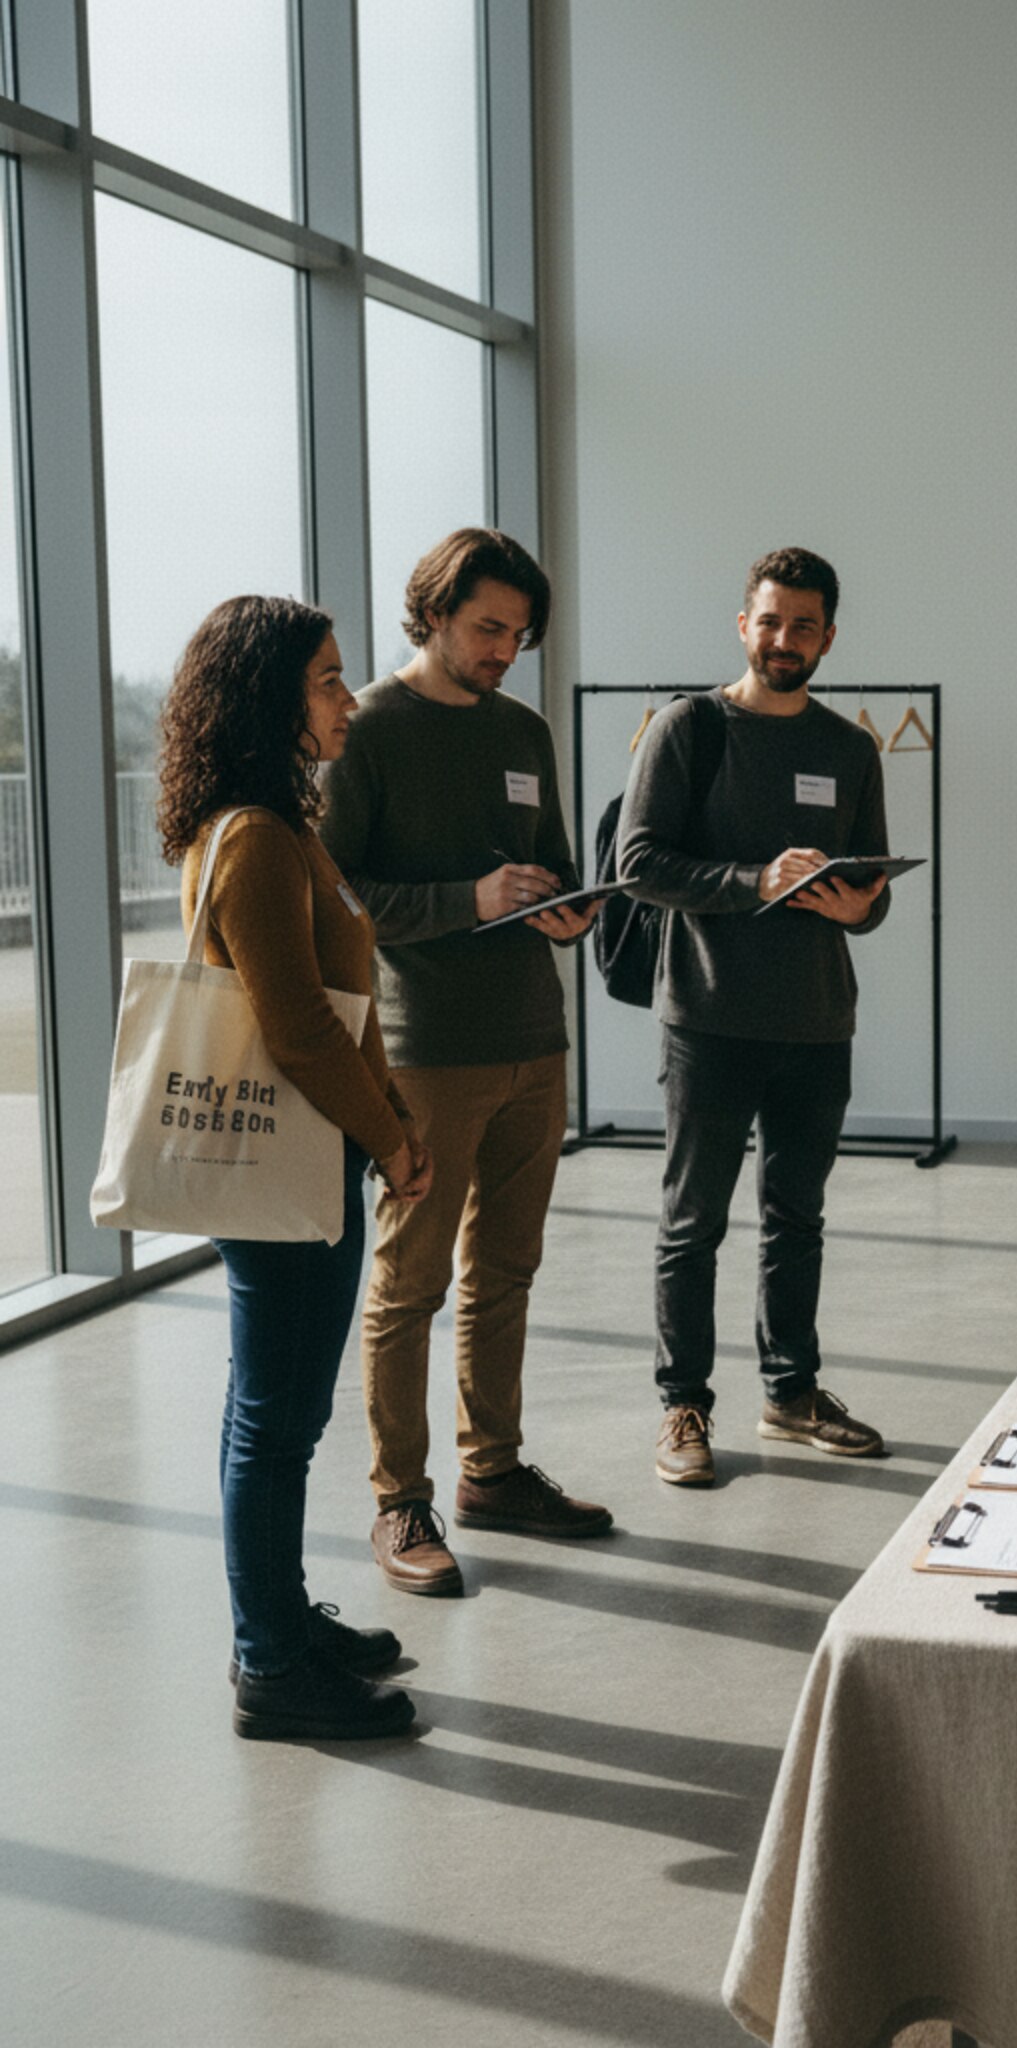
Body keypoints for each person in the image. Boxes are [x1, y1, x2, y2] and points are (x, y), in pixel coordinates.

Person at [156, 595, 431, 1740]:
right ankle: (272, 1662)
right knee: (273, 1425)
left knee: (274, 1417)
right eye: (326, 679)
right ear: (270, 697)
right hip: (293, 1170)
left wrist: (388, 1111)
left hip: (312, 1158)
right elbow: (300, 1027)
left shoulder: (277, 823)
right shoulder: (259, 840)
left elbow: (335, 1009)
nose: (346, 698)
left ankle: (276, 1624)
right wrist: (393, 1134)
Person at [320, 529, 612, 1597]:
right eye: (488, 628)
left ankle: (491, 1468)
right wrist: (466, 901)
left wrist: (568, 912)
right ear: (434, 611)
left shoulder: (525, 728)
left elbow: (557, 871)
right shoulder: (367, 732)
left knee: (508, 1271)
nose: (504, 649)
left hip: (535, 1037)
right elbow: (339, 897)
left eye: (518, 634)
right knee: (410, 1282)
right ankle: (400, 1499)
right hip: (423, 1052)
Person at [616, 547, 891, 1486]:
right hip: (708, 1019)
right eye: (770, 622)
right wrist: (750, 881)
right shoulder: (690, 729)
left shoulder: (852, 748)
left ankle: (791, 1393)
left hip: (818, 1022)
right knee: (694, 1222)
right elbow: (638, 862)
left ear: (828, 637)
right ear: (744, 625)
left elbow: (873, 886)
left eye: (804, 626)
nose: (785, 640)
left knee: (797, 1218)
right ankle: (683, 1408)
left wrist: (861, 904)